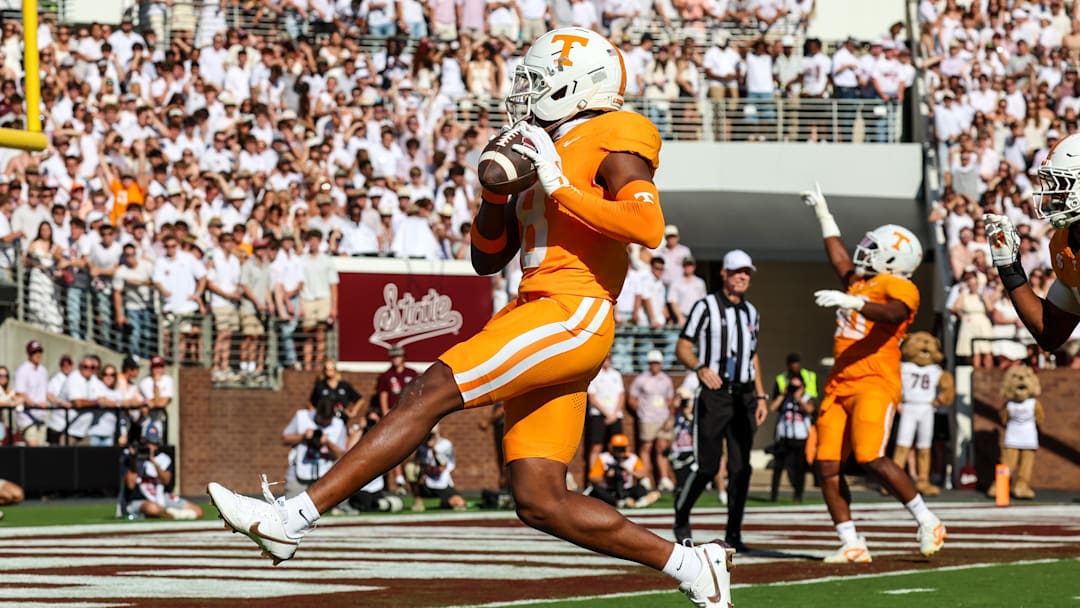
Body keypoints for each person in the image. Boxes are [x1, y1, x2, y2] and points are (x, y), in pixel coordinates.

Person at [209, 27, 736, 608]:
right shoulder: (541, 139)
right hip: (536, 305)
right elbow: (488, 259)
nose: (526, 90)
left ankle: (295, 518)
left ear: (580, 85)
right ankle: (692, 564)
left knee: (428, 389)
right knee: (539, 498)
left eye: (538, 80)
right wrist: (495, 197)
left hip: (573, 308)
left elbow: (647, 226)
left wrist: (559, 185)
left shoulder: (617, 132)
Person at [798, 183, 946, 562]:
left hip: (874, 383)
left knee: (871, 457)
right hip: (839, 385)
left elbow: (894, 314)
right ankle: (851, 542)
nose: (868, 253)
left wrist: (855, 302)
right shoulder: (863, 281)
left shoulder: (898, 286)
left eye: (877, 250)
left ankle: (928, 520)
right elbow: (841, 261)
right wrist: (824, 215)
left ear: (897, 261)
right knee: (827, 466)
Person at [673, 249, 768, 553]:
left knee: (741, 469)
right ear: (724, 274)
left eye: (748, 272)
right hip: (714, 395)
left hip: (744, 396)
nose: (743, 276)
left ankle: (734, 533)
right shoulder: (706, 306)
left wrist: (762, 394)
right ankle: (682, 513)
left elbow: (753, 356)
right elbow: (683, 346)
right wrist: (700, 368)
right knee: (707, 465)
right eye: (738, 271)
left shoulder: (752, 312)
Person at [983, 133, 1080, 353]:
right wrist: (1010, 270)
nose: (1055, 194)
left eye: (1063, 183)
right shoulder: (1065, 244)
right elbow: (1050, 332)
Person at [123, 425, 203, 520]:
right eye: (149, 443)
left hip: (160, 496)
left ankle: (162, 513)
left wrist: (153, 461)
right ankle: (172, 515)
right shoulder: (132, 457)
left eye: (154, 443)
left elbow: (166, 480)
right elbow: (130, 485)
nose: (151, 446)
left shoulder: (164, 459)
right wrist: (134, 459)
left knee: (197, 511)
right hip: (139, 499)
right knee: (152, 508)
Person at [628, 349, 675, 492]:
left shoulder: (666, 380)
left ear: (661, 364)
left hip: (662, 418)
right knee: (646, 447)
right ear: (649, 364)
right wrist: (642, 412)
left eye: (657, 363)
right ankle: (646, 478)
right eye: (652, 363)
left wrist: (669, 416)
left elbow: (670, 399)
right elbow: (632, 399)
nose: (655, 365)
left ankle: (664, 478)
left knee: (662, 447)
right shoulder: (641, 379)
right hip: (647, 418)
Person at [282, 397, 348, 499]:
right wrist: (303, 436)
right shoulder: (302, 416)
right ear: (317, 412)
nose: (324, 423)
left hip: (325, 475)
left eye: (328, 420)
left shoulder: (339, 425)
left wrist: (327, 443)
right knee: (291, 508)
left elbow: (340, 455)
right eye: (322, 418)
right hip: (298, 473)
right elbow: (285, 439)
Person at [376, 345, 418, 493]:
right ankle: (399, 479)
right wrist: (386, 414)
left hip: (411, 415)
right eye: (393, 357)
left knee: (413, 448)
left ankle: (414, 480)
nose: (396, 359)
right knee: (395, 446)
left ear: (403, 357)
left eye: (398, 356)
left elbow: (419, 394)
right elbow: (383, 396)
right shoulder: (386, 376)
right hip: (395, 416)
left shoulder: (411, 373)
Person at [767, 376, 813, 503]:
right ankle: (773, 496)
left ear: (802, 387)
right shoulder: (785, 399)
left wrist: (798, 398)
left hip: (800, 438)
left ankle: (798, 495)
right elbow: (772, 408)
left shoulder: (806, 398)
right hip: (784, 437)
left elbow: (810, 409)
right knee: (778, 468)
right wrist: (784, 394)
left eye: (796, 387)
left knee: (799, 469)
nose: (794, 390)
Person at [586, 433, 662, 508]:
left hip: (627, 489)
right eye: (617, 448)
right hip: (609, 490)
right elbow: (592, 478)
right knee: (596, 490)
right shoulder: (604, 458)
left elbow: (643, 474)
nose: (620, 451)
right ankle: (620, 502)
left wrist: (630, 472)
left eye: (622, 448)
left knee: (641, 488)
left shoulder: (632, 458)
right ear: (611, 447)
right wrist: (606, 476)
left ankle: (631, 500)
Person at [405, 425, 467, 512]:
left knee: (459, 503)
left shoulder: (445, 444)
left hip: (441, 482)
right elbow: (411, 461)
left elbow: (442, 467)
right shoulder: (421, 445)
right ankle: (418, 501)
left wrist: (433, 449)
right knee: (410, 468)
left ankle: (445, 502)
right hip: (425, 482)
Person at [585, 354, 626, 481]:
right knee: (596, 447)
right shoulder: (594, 375)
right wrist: (608, 414)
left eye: (608, 359)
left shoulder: (616, 375)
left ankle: (617, 477)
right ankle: (594, 478)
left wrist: (614, 414)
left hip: (615, 415)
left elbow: (621, 396)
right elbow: (592, 398)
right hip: (598, 415)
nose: (606, 362)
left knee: (617, 447)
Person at [13, 340, 50, 446]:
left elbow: (47, 392)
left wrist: (60, 403)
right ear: (28, 354)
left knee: (40, 450)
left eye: (39, 351)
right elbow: (20, 393)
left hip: (41, 417)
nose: (37, 354)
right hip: (27, 417)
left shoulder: (43, 370)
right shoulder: (22, 370)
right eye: (34, 352)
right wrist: (36, 404)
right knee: (33, 447)